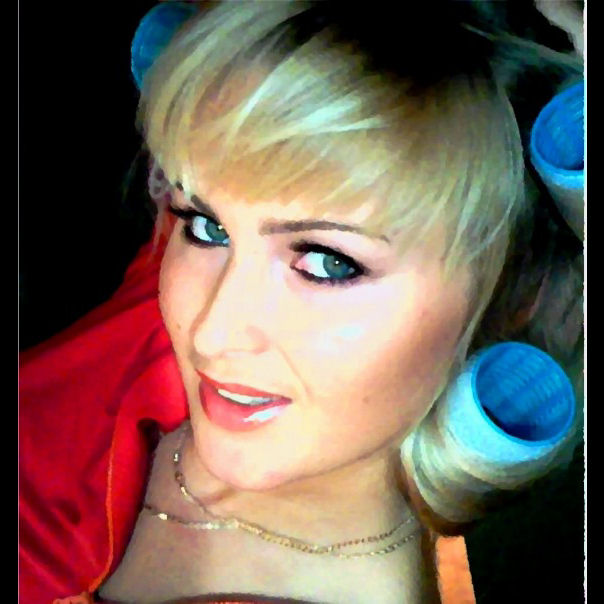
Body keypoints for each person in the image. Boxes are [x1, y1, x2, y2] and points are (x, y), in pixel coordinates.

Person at [19, 1, 584, 603]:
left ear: (512, 297)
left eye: (328, 263)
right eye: (207, 227)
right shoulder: (155, 293)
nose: (211, 333)